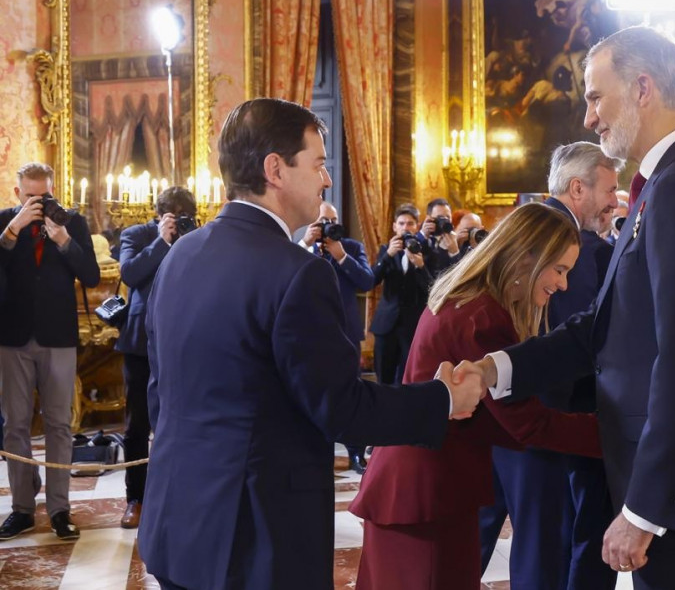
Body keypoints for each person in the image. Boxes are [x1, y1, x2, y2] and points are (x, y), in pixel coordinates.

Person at [460, 26, 675, 590]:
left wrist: (643, 511)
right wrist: (496, 368)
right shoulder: (664, 184)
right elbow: (603, 330)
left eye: (595, 96)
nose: (588, 117)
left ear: (643, 88)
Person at [137, 98, 484, 590]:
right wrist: (444, 399)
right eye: (319, 163)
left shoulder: (180, 256)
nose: (326, 180)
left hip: (178, 522)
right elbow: (341, 408)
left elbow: (161, 393)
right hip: (256, 538)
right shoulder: (298, 273)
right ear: (275, 169)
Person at [351, 202, 602, 590]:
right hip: (426, 496)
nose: (564, 284)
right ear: (526, 257)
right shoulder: (482, 316)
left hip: (423, 488)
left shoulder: (474, 300)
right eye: (559, 270)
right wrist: (619, 435)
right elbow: (528, 423)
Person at [478, 141, 621, 590]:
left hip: (502, 410)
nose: (615, 203)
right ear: (578, 187)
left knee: (478, 534)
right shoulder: (574, 245)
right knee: (549, 549)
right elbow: (579, 339)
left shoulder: (525, 229)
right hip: (546, 418)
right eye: (610, 190)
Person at [0, 162, 100, 542]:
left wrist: (63, 241)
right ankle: (22, 509)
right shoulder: (5, 223)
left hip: (58, 336)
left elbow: (91, 276)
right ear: (17, 194)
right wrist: (14, 228)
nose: (38, 204)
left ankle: (60, 509)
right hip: (13, 336)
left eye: (44, 197)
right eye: (30, 197)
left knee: (59, 425)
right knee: (16, 425)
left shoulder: (71, 222)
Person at [115, 186, 198, 529]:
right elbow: (130, 274)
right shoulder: (137, 234)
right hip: (140, 343)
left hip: (187, 340)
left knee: (184, 419)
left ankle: (180, 495)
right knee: (138, 425)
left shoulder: (198, 237)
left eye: (184, 214)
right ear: (159, 213)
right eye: (173, 214)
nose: (179, 220)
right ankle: (136, 498)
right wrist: (162, 242)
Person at [299, 201, 376, 472]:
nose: (328, 226)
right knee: (309, 392)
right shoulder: (301, 248)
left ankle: (356, 453)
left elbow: (367, 281)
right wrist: (305, 245)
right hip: (308, 332)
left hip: (345, 331)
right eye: (323, 221)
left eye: (332, 220)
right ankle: (313, 453)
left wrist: (342, 255)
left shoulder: (352, 248)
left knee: (351, 393)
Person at [369, 203, 432, 385]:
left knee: (409, 379)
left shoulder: (426, 252)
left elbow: (433, 290)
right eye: (402, 223)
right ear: (395, 226)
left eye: (410, 223)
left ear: (417, 226)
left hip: (412, 327)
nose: (406, 227)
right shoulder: (385, 250)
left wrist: (420, 266)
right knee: (383, 379)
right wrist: (387, 255)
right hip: (386, 325)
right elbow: (371, 281)